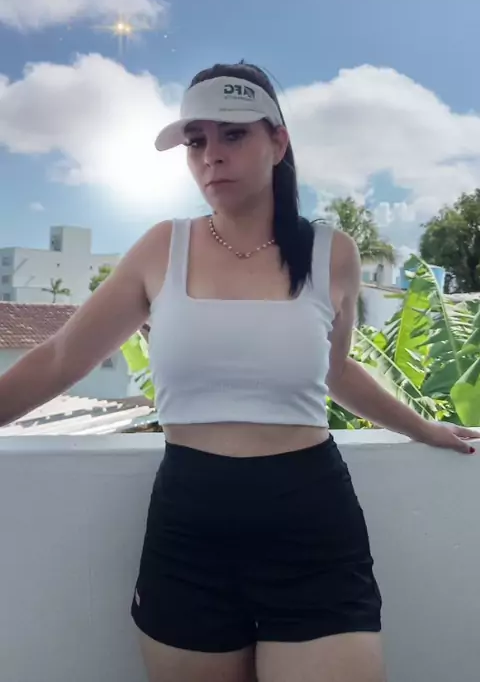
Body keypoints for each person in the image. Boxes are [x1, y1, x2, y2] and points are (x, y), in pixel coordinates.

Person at [0, 62, 477, 682]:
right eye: (196, 141)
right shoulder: (161, 248)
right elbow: (63, 357)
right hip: (189, 523)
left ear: (278, 142)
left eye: (233, 135)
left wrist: (425, 429)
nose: (211, 156)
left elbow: (336, 372)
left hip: (310, 518)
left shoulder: (331, 253)